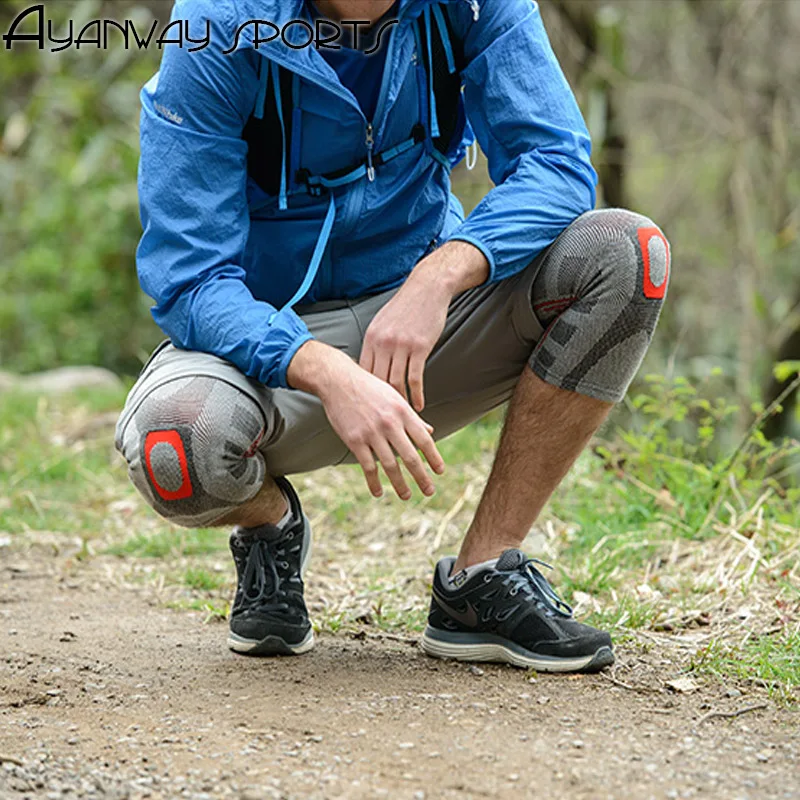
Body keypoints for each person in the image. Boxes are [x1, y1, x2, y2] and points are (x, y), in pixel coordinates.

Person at [115, 0, 670, 673]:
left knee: (627, 251)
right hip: (269, 344)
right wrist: (316, 365)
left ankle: (482, 579)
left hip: (424, 326)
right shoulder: (218, 21)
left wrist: (442, 274)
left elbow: (556, 164)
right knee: (174, 446)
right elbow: (190, 276)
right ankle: (269, 527)